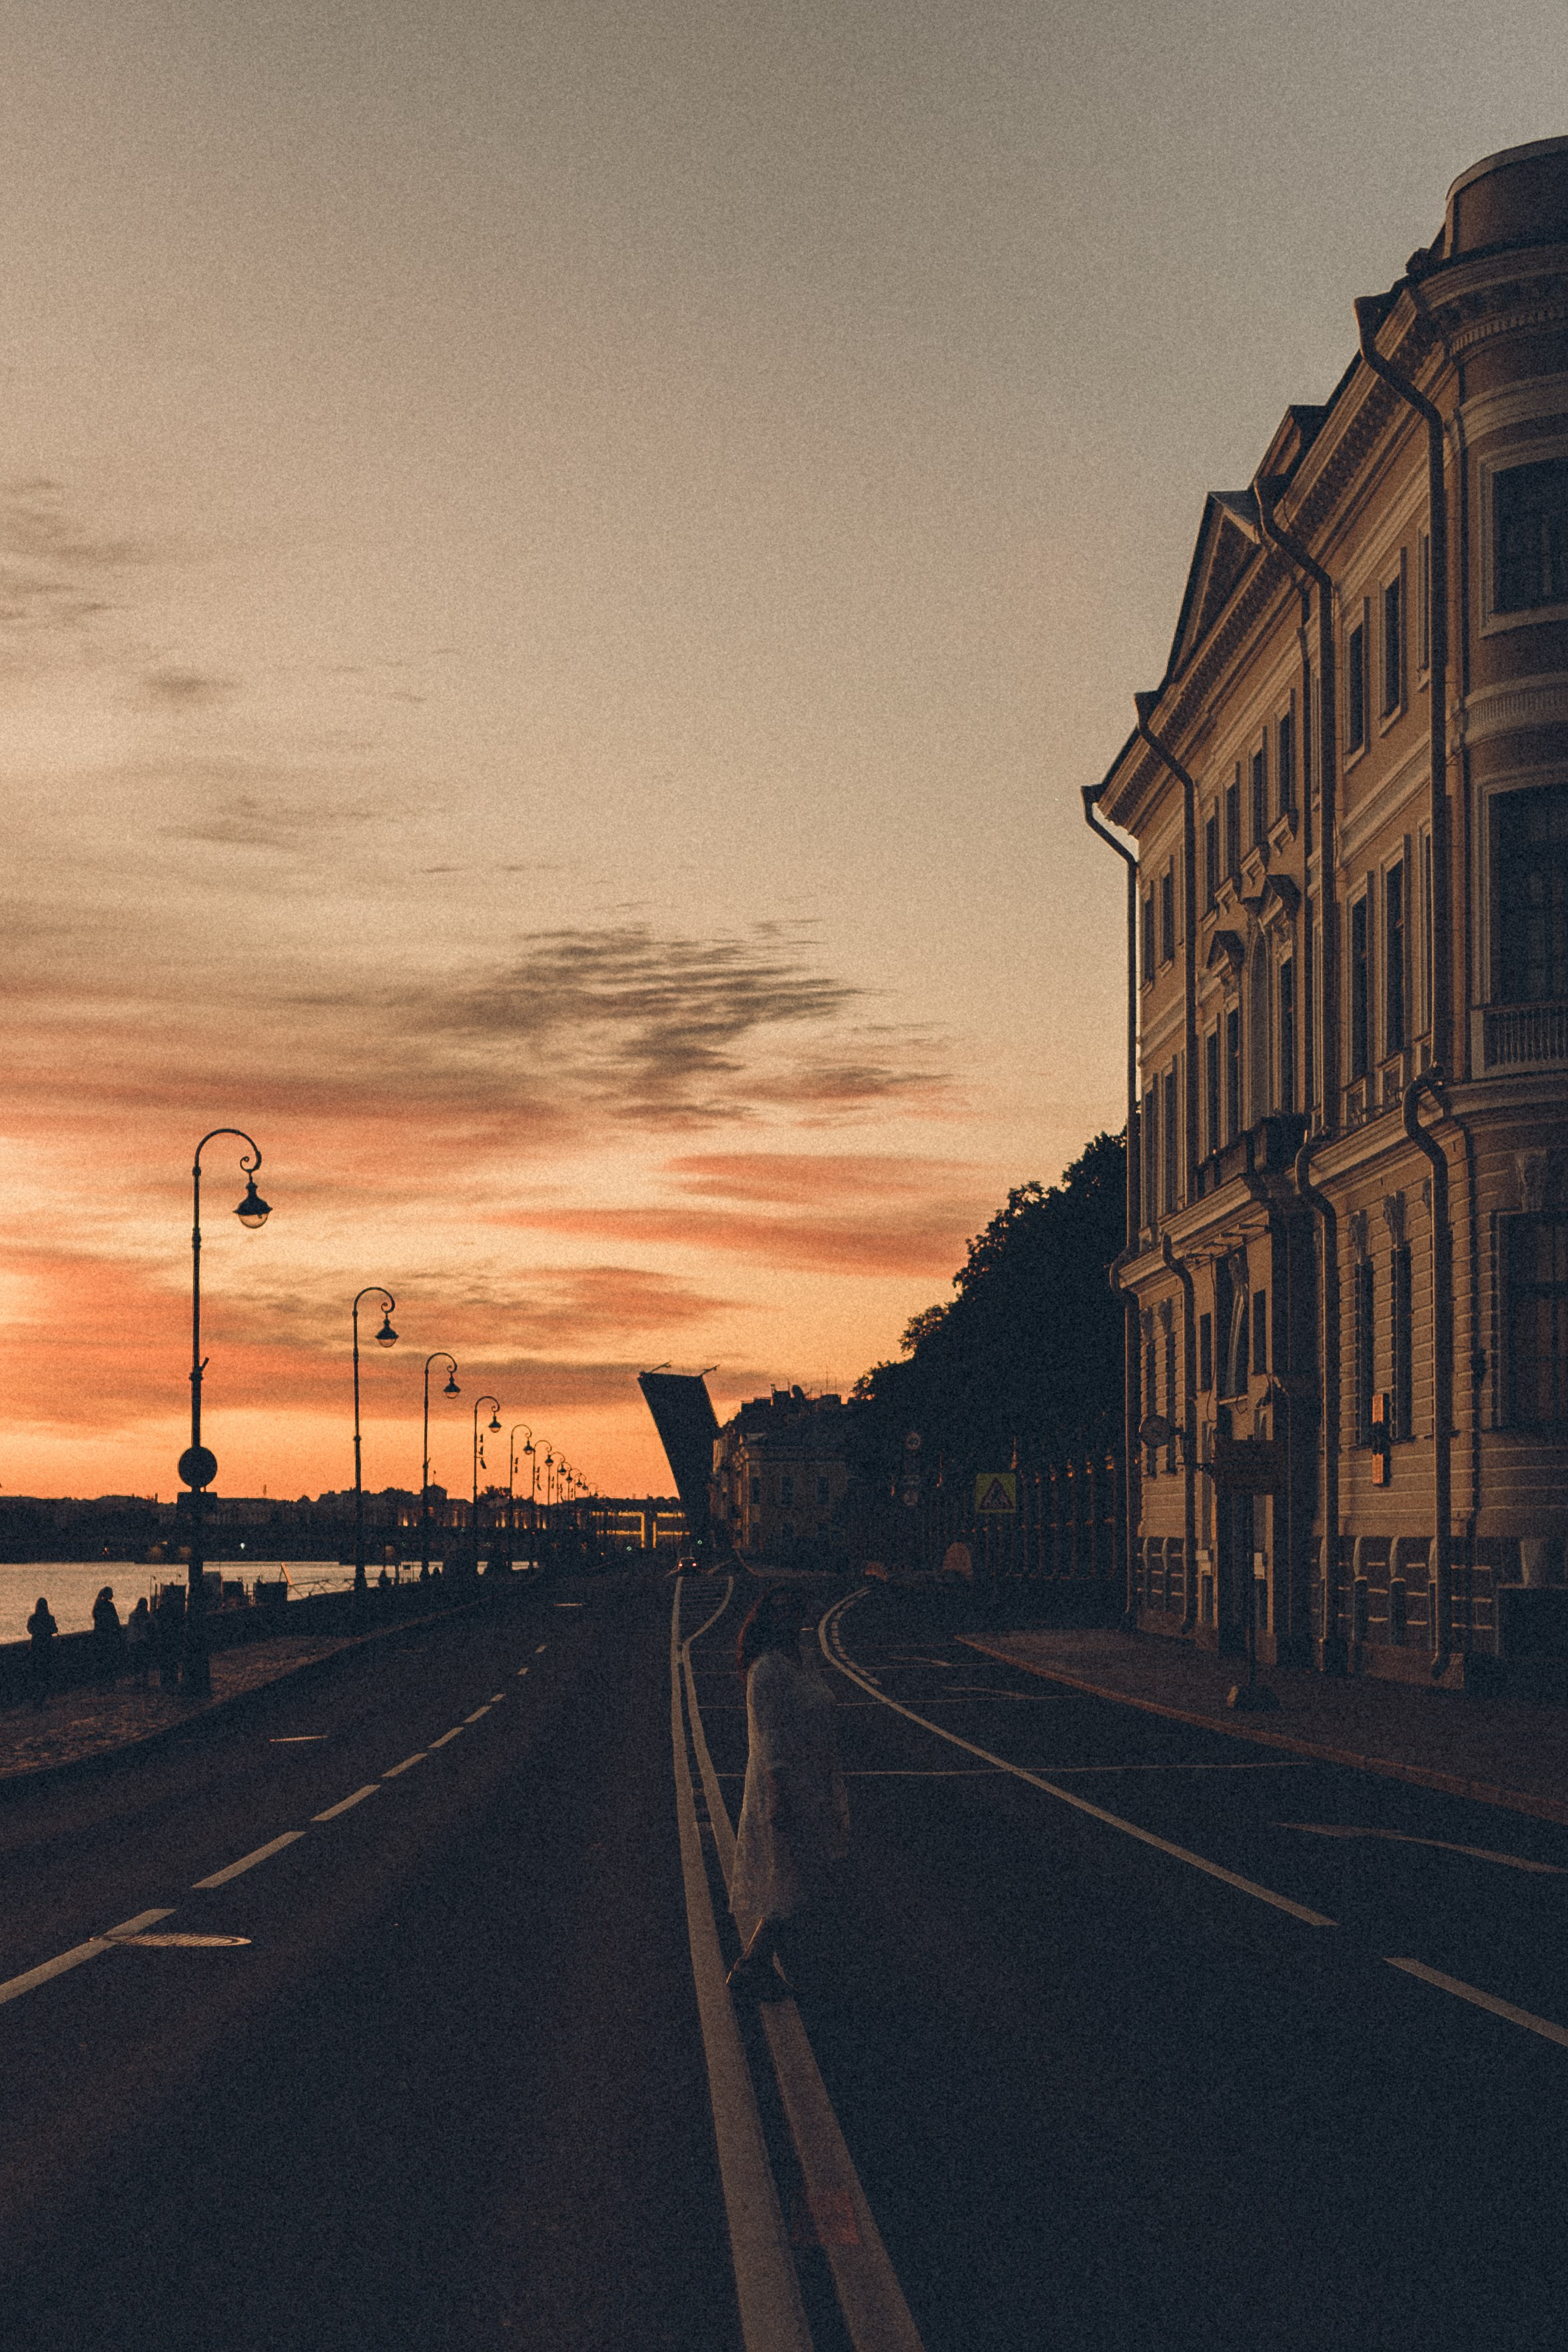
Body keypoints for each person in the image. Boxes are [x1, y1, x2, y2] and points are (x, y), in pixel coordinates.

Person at [726, 1585, 849, 2002]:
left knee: (799, 1878)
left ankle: (756, 1965)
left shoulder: (803, 1658)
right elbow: (769, 1739)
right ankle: (753, 1966)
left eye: (796, 1607)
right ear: (766, 1618)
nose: (790, 1615)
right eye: (780, 1609)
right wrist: (779, 1798)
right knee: (791, 1880)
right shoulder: (766, 1670)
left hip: (812, 1780)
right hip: (784, 1787)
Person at [26, 1597, 57, 1710]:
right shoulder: (50, 1618)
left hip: (36, 1647)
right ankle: (42, 1700)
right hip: (47, 1648)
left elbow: (30, 1629)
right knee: (45, 1675)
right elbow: (55, 1629)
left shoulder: (33, 1618)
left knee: (36, 1675)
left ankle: (37, 1701)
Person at [91, 1585, 125, 1687]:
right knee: (110, 1659)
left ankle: (101, 1681)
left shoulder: (98, 1605)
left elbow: (95, 1616)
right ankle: (110, 1680)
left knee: (101, 1659)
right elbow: (115, 1621)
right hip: (109, 1636)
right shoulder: (110, 1606)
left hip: (100, 1636)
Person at [125, 1596, 153, 1689]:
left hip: (136, 1641)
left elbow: (130, 1631)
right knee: (143, 1661)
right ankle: (144, 1679)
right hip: (142, 1641)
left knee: (137, 1662)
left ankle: (138, 1680)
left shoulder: (133, 1616)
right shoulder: (147, 1616)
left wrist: (129, 1641)